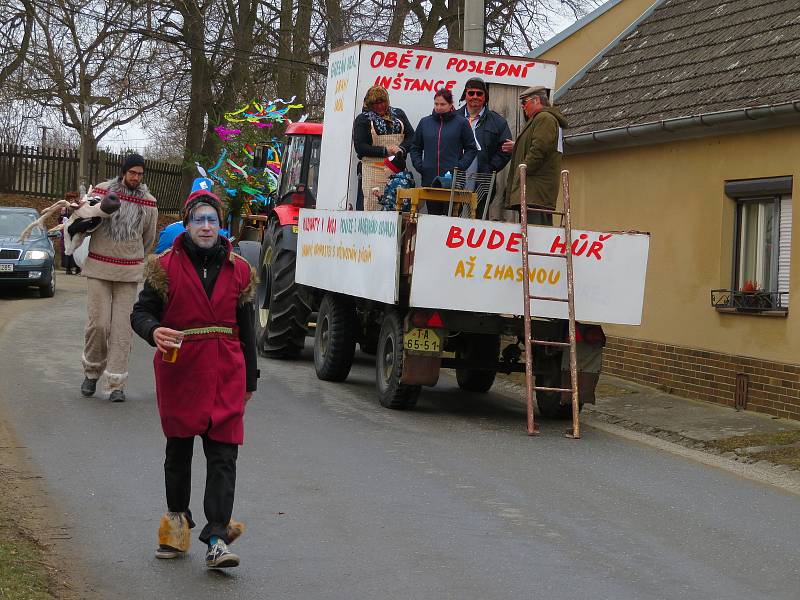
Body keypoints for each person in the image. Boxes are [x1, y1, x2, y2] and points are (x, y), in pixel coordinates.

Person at [130, 190, 258, 569]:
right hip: (180, 369)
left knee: (223, 455)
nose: (206, 227)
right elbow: (140, 313)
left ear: (222, 227)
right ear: (186, 225)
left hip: (226, 371)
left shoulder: (240, 270)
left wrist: (250, 380)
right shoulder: (163, 267)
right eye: (199, 220)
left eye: (212, 221)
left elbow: (249, 332)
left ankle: (217, 538)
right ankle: (176, 524)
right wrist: (153, 330)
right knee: (179, 452)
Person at [80, 153, 158, 402]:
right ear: (123, 172)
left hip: (129, 272)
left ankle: (116, 383)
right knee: (98, 324)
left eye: (140, 174)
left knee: (122, 329)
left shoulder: (149, 202)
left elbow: (148, 238)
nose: (136, 177)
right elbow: (85, 219)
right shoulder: (103, 191)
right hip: (99, 268)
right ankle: (92, 372)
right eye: (132, 172)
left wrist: (134, 256)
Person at [502, 86, 568, 225]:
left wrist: (523, 172)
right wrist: (518, 147)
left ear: (536, 100)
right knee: (533, 233)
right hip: (534, 192)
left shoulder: (544, 118)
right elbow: (539, 145)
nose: (522, 106)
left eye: (525, 102)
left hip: (535, 192)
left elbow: (539, 149)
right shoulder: (542, 119)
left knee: (535, 235)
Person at [409, 88, 479, 215]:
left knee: (451, 218)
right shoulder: (425, 122)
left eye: (443, 104)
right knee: (433, 218)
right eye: (436, 104)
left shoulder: (461, 123)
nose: (439, 107)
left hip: (453, 182)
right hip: (430, 181)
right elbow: (415, 147)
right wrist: (420, 165)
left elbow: (471, 149)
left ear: (451, 104)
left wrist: (460, 167)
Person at [456, 77, 513, 219]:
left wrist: (490, 167)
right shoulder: (453, 118)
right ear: (465, 95)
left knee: (478, 220)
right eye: (471, 93)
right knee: (452, 218)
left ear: (485, 97)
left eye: (479, 93)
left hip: (482, 180)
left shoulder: (497, 122)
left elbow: (505, 150)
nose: (475, 97)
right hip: (455, 178)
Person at [352, 85, 414, 210]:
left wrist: (401, 149)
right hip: (373, 170)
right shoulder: (362, 119)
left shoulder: (399, 114)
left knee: (398, 208)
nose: (380, 106)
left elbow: (412, 137)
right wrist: (385, 151)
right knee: (373, 208)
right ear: (370, 103)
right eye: (376, 103)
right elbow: (360, 147)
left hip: (397, 173)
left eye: (383, 102)